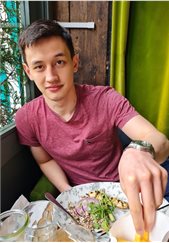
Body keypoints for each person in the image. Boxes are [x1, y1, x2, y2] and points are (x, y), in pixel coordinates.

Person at [15, 19, 169, 236]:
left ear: (74, 63)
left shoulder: (106, 99)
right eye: (39, 66)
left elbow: (159, 140)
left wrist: (139, 151)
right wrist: (68, 193)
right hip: (81, 202)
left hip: (126, 191)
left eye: (59, 62)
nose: (51, 77)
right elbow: (44, 159)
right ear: (28, 72)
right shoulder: (26, 118)